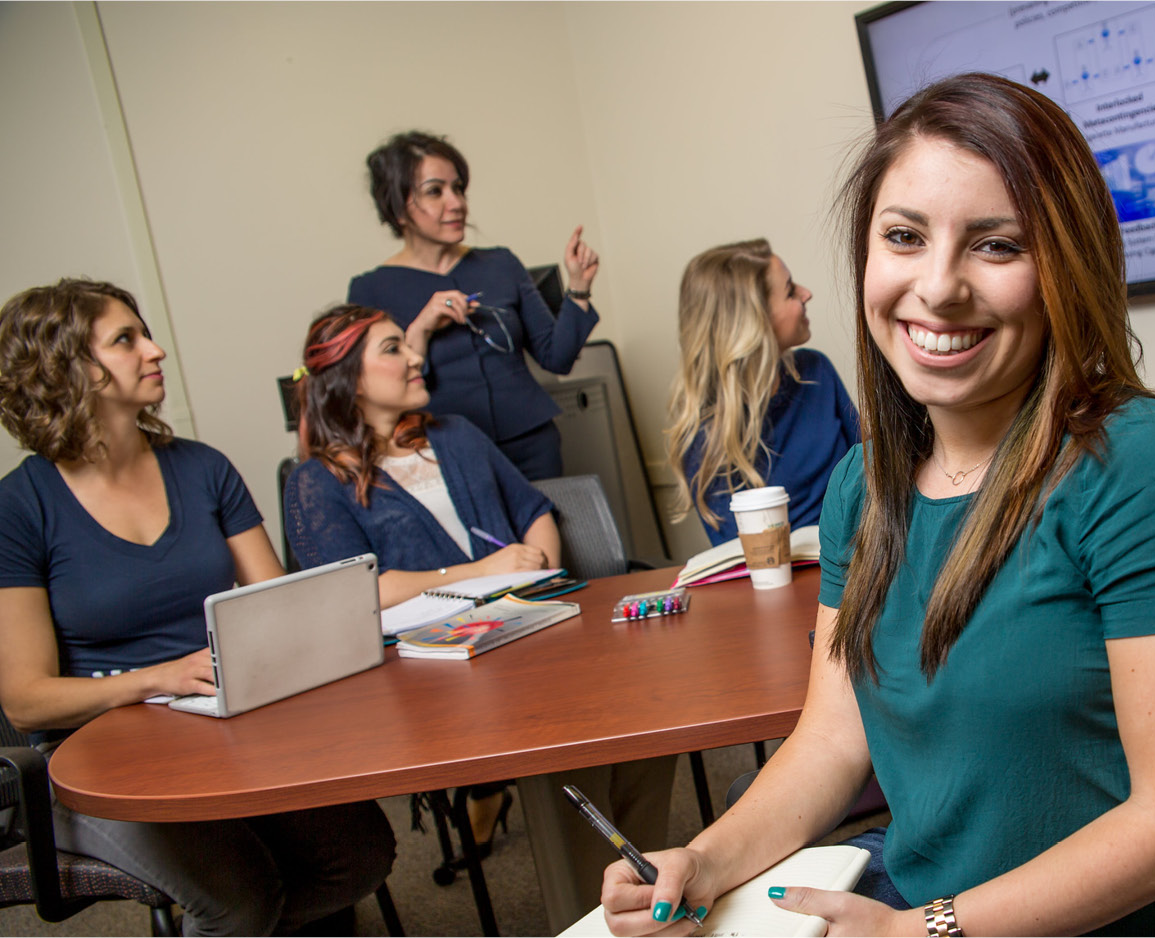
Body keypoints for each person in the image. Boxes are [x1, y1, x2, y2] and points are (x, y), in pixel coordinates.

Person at [598, 73, 1155, 937]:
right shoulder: (864, 483)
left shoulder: (1143, 467)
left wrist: (921, 932)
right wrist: (706, 859)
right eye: (905, 237)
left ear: (1067, 265)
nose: (939, 286)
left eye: (996, 246)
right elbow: (834, 741)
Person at [0, 279, 394, 936]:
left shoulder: (204, 469)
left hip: (224, 726)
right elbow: (25, 700)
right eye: (126, 339)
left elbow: (281, 611)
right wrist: (156, 679)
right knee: (238, 901)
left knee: (359, 858)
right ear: (68, 369)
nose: (154, 350)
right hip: (98, 757)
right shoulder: (22, 506)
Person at [282, 304, 674, 911]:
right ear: (348, 379)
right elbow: (351, 590)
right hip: (437, 676)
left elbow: (533, 508)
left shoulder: (456, 434)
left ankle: (643, 883)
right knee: (573, 739)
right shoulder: (316, 482)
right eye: (392, 349)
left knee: (651, 716)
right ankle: (595, 911)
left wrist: (540, 561)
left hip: (535, 627)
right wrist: (484, 571)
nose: (415, 356)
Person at [348, 130, 604, 482]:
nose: (456, 203)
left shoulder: (501, 264)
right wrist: (420, 328)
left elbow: (556, 357)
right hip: (443, 453)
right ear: (398, 206)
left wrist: (578, 288)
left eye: (458, 189)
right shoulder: (371, 289)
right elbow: (376, 394)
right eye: (435, 191)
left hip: (532, 445)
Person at [666, 238, 860, 544]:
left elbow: (875, 470)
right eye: (790, 290)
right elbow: (744, 559)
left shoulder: (817, 370)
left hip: (863, 561)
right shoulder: (707, 435)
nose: (806, 294)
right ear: (754, 320)